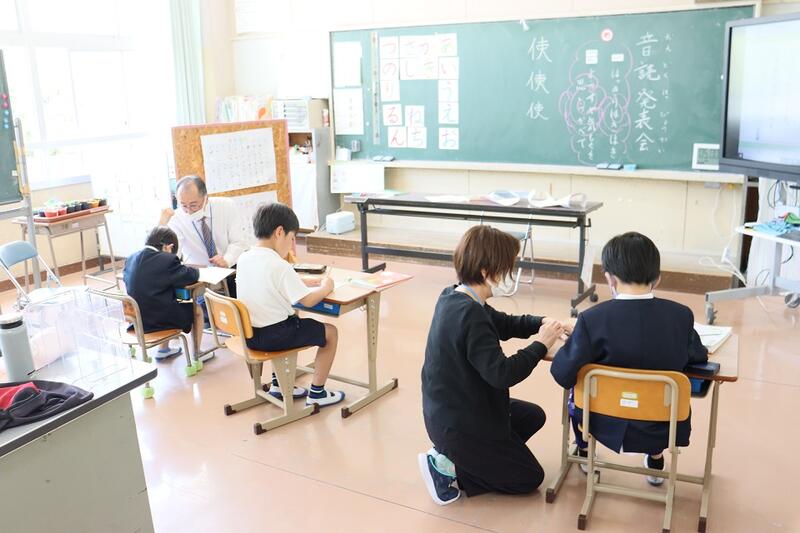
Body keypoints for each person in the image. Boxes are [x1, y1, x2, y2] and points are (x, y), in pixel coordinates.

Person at [418, 224, 567, 505]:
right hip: (458, 424)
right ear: (487, 271)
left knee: (533, 416)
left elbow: (505, 323)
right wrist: (541, 344)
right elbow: (503, 374)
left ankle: (474, 458)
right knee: (529, 478)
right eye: (506, 267)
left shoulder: (456, 296)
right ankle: (449, 469)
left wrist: (543, 323)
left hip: (453, 410)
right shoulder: (470, 313)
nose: (508, 274)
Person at [550, 231, 708, 486]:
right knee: (661, 392)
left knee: (577, 386)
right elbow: (697, 356)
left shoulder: (592, 319)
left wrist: (576, 337)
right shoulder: (681, 316)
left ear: (609, 278)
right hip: (662, 425)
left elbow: (561, 373)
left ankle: (585, 449)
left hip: (601, 420)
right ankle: (655, 457)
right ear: (657, 278)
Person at [236, 202, 344, 406]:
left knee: (291, 315)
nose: (292, 245)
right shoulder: (279, 265)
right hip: (275, 336)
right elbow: (308, 301)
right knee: (330, 333)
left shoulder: (244, 258)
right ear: (279, 232)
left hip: (250, 336)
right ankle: (317, 394)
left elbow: (266, 281)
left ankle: (278, 385)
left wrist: (299, 280)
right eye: (292, 238)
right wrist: (326, 286)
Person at [159, 175, 248, 297]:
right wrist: (162, 226)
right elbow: (175, 253)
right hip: (200, 276)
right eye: (183, 205)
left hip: (230, 269)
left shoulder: (226, 206)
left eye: (194, 205)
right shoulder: (176, 218)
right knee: (196, 302)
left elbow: (238, 241)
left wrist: (227, 260)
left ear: (206, 197)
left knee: (236, 301)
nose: (189, 211)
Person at [123, 226, 204, 361]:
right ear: (169, 247)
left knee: (166, 295)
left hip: (137, 319)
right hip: (158, 320)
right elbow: (191, 276)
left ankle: (163, 349)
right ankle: (197, 353)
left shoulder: (130, 258)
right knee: (197, 309)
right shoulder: (167, 260)